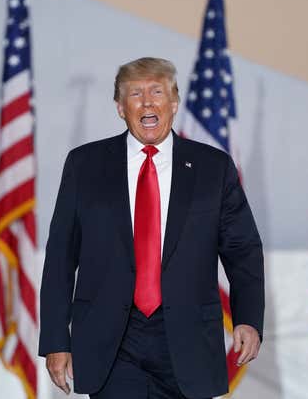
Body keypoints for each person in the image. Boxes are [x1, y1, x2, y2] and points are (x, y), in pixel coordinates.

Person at [39, 57, 264, 399]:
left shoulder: (212, 168)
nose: (147, 102)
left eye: (157, 91)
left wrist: (247, 317)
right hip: (111, 343)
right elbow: (60, 257)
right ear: (119, 107)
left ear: (174, 103)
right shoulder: (84, 165)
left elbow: (242, 250)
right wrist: (56, 340)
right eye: (135, 94)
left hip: (186, 339)